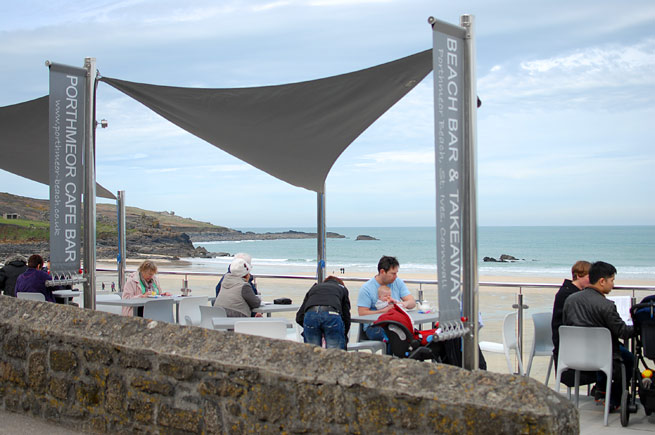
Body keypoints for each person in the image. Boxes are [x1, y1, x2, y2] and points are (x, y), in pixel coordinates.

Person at [562, 261, 636, 409]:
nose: (613, 285)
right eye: (612, 280)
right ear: (602, 281)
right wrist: (638, 326)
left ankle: (601, 391)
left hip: (574, 355)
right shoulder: (606, 305)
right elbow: (623, 332)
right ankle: (615, 399)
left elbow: (566, 325)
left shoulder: (570, 300)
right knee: (629, 359)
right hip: (601, 357)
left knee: (607, 347)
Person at [357, 256, 416, 341]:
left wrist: (404, 304)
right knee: (393, 335)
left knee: (412, 335)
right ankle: (391, 354)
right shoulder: (367, 288)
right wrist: (382, 311)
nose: (395, 276)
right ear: (382, 272)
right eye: (393, 274)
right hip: (374, 326)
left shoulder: (397, 282)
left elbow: (412, 302)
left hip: (395, 323)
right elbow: (362, 313)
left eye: (396, 273)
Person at [296, 276, 351, 350]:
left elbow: (299, 317)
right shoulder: (342, 288)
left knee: (312, 353)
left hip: (310, 314)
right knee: (335, 354)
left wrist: (310, 328)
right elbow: (346, 316)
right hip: (331, 314)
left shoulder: (314, 287)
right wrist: (344, 335)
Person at [551, 260, 591, 362]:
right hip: (566, 342)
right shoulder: (569, 295)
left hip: (571, 340)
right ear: (578, 276)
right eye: (588, 277)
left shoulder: (574, 292)